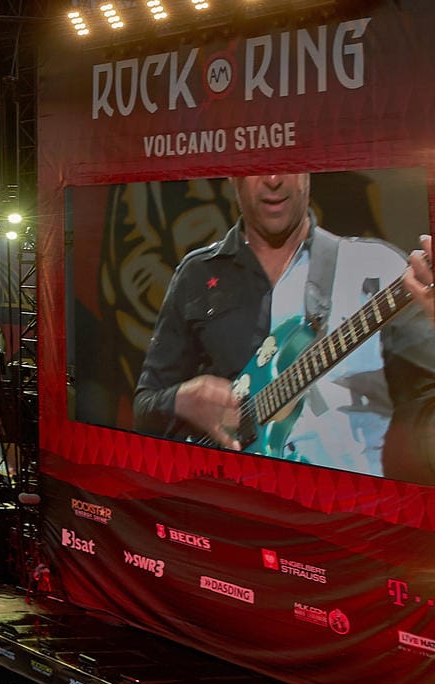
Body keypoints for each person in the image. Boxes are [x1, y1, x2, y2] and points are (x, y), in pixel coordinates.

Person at [135, 173, 435, 480]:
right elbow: (144, 407)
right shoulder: (197, 275)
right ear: (232, 175)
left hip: (348, 514)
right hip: (232, 506)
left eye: (287, 165)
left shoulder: (376, 268)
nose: (274, 179)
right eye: (257, 167)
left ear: (309, 170)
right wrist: (179, 401)